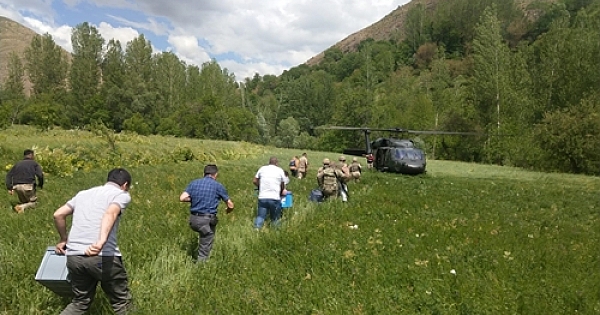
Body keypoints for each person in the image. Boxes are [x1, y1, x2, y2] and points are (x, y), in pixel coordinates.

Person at [53, 168, 133, 315]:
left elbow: (58, 214)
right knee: (122, 303)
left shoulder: (82, 194)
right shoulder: (121, 195)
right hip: (103, 257)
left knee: (79, 303)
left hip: (74, 256)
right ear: (125, 185)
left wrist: (64, 239)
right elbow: (111, 212)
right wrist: (101, 241)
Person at [180, 164, 234, 262]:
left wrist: (194, 199)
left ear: (203, 173)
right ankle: (201, 268)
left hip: (193, 220)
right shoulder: (218, 186)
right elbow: (230, 205)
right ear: (215, 174)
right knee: (205, 245)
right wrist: (228, 210)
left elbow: (182, 198)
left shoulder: (194, 183)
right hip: (206, 220)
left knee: (203, 234)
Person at [5, 149, 44, 213]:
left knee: (25, 202)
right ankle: (21, 207)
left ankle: (21, 210)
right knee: (34, 203)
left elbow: (8, 175)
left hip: (16, 187)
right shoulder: (34, 163)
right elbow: (40, 175)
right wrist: (40, 184)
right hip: (28, 186)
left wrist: (9, 187)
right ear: (31, 155)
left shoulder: (18, 163)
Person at [253, 157, 286, 229]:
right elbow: (282, 184)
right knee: (275, 219)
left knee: (260, 216)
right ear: (277, 163)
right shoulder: (280, 170)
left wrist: (260, 186)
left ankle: (256, 230)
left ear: (269, 162)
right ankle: (275, 233)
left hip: (262, 197)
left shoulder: (262, 168)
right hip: (275, 198)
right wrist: (281, 191)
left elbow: (255, 181)